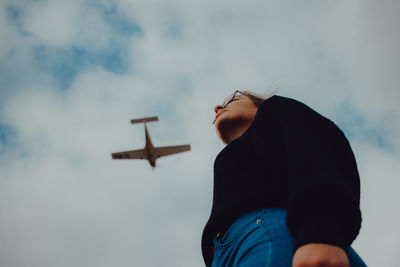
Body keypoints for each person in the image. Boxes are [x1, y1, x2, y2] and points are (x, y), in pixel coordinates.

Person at [201, 91, 367, 267]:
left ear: (259, 105)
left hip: (273, 232)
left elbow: (315, 154)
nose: (217, 108)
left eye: (234, 99)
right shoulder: (239, 155)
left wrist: (320, 231)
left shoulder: (276, 109)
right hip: (231, 251)